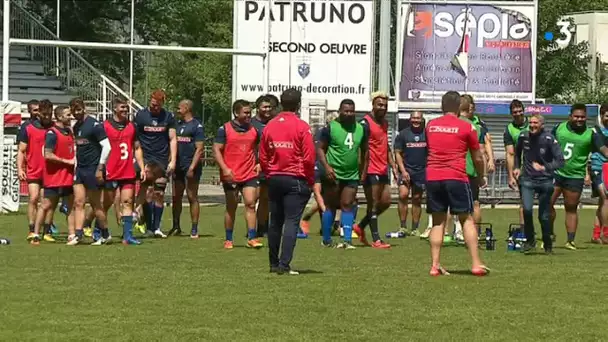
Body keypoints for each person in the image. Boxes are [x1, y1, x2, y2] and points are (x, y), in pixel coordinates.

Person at [425, 91, 488, 276]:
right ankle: (476, 264)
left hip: (433, 177)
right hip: (456, 177)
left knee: (438, 222)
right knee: (466, 219)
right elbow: (477, 157)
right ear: (459, 106)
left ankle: (435, 265)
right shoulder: (467, 127)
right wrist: (481, 175)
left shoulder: (430, 126)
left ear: (441, 106)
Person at [260, 88, 315, 275]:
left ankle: (273, 263)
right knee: (292, 222)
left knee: (275, 222)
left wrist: (270, 173)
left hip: (275, 178)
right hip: (295, 178)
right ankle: (284, 265)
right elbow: (308, 157)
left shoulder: (270, 125)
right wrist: (309, 179)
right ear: (298, 104)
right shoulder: (302, 126)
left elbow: (263, 155)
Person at [550, 104, 608, 250]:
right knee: (547, 204)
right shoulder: (559, 128)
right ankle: (548, 233)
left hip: (575, 175)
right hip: (556, 172)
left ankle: (570, 241)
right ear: (570, 116)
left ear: (586, 117)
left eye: (582, 117)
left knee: (571, 208)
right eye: (576, 116)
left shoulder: (591, 134)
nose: (579, 119)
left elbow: (604, 151)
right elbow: (546, 143)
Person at [317, 99, 368, 249]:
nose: (349, 113)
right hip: (333, 174)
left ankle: (347, 241)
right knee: (330, 206)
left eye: (351, 111)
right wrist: (326, 167)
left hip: (352, 174)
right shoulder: (330, 128)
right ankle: (326, 240)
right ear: (339, 111)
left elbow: (365, 151)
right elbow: (320, 149)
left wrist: (363, 171)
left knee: (347, 205)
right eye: (346, 111)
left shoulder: (361, 128)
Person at [213, 99, 263, 249]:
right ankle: (229, 239)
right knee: (231, 206)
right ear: (236, 113)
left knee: (250, 204)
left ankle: (252, 238)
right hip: (231, 174)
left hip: (249, 173)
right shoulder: (224, 129)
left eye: (250, 112)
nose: (249, 115)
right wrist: (225, 169)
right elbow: (216, 150)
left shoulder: (255, 130)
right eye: (246, 112)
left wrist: (260, 162)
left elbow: (261, 148)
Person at [514, 114, 565, 254]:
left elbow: (560, 161)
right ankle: (530, 241)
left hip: (545, 181)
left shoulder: (549, 139)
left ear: (542, 125)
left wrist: (545, 167)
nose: (532, 125)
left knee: (543, 215)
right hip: (528, 180)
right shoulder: (523, 136)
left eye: (535, 123)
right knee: (527, 210)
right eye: (530, 122)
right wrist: (517, 167)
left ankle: (547, 243)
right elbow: (517, 153)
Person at [101, 97, 149, 245]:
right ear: (114, 108)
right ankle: (99, 230)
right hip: (110, 170)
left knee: (128, 201)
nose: (125, 110)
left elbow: (137, 148)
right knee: (105, 203)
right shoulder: (105, 126)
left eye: (126, 108)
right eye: (122, 107)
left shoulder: (132, 127)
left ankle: (127, 236)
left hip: (127, 170)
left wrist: (141, 168)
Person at [32, 103, 77, 245]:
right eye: (68, 115)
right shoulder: (52, 133)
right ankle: (35, 234)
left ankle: (72, 235)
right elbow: (48, 154)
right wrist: (67, 161)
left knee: (70, 207)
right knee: (45, 205)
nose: (71, 117)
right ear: (59, 116)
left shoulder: (69, 131)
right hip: (54, 177)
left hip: (67, 176)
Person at [134, 90, 177, 238]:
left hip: (161, 158)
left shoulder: (168, 117)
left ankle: (157, 227)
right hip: (145, 158)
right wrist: (138, 160)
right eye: (153, 104)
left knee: (159, 192)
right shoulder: (141, 115)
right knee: (146, 192)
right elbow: (135, 137)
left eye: (158, 105)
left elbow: (172, 139)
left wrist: (173, 160)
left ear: (162, 103)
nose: (154, 107)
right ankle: (148, 225)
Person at [352, 92, 393, 249]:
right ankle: (376, 240)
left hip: (382, 168)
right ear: (373, 105)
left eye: (384, 105)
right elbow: (361, 148)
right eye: (379, 104)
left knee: (387, 201)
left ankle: (361, 226)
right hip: (370, 169)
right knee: (373, 203)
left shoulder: (384, 123)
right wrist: (361, 170)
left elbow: (385, 145)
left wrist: (393, 166)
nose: (382, 107)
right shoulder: (365, 123)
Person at [71, 98, 112, 245]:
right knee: (78, 202)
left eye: (79, 109)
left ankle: (106, 234)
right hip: (80, 169)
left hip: (93, 168)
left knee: (96, 205)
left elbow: (107, 147)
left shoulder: (95, 125)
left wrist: (100, 167)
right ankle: (78, 234)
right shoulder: (76, 127)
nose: (77, 113)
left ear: (84, 109)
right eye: (74, 110)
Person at [17, 99, 57, 241]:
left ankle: (47, 231)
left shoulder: (55, 127)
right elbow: (21, 150)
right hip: (34, 169)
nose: (47, 117)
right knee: (33, 198)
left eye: (49, 114)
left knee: (48, 201)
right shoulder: (28, 128)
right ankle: (31, 229)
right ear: (39, 113)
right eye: (45, 114)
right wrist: (20, 168)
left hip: (51, 171)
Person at [169, 99, 205, 239]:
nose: (178, 111)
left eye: (179, 108)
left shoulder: (197, 126)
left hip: (190, 166)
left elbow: (200, 148)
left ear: (186, 108)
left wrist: (192, 167)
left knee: (192, 197)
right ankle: (176, 226)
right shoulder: (177, 125)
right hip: (177, 166)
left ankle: (194, 228)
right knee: (175, 197)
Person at [393, 111, 427, 237]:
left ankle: (415, 228)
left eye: (418, 118)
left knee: (417, 199)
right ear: (410, 119)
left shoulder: (427, 134)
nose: (416, 121)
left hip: (421, 172)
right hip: (406, 170)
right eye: (414, 118)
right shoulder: (403, 134)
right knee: (403, 195)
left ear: (422, 119)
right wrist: (403, 171)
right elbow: (397, 153)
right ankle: (403, 226)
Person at [460, 95, 488, 229]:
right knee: (475, 203)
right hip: (470, 171)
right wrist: (482, 174)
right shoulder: (475, 128)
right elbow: (480, 153)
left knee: (448, 204)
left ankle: (448, 233)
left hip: (453, 170)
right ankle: (474, 233)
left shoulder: (450, 123)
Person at [251, 95, 276, 238]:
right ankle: (251, 228)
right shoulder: (252, 124)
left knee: (265, 199)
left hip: (271, 166)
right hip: (255, 165)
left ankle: (263, 227)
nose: (267, 109)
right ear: (258, 108)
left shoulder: (274, 123)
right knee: (253, 199)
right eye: (264, 107)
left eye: (269, 107)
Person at [504, 100, 528, 231]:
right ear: (511, 113)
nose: (518, 114)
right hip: (522, 171)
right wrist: (510, 176)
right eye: (515, 112)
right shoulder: (509, 129)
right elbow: (509, 153)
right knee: (524, 201)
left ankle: (547, 232)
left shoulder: (533, 123)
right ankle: (525, 230)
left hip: (538, 170)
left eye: (520, 111)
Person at [590, 103, 608, 243]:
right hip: (599, 167)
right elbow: (604, 151)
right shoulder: (596, 131)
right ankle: (605, 233)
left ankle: (596, 234)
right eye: (607, 115)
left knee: (602, 202)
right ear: (601, 115)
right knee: (606, 198)